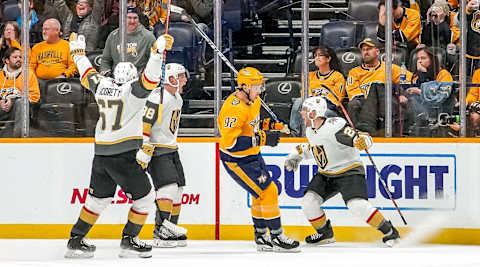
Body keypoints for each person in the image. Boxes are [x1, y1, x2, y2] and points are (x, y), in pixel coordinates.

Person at [64, 31, 174, 258]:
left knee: (98, 199)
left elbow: (87, 75)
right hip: (122, 154)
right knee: (145, 198)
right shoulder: (133, 92)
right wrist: (156, 54)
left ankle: (76, 240)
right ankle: (130, 240)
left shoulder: (103, 85)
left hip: (101, 154)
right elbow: (151, 80)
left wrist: (77, 54)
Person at [284, 96, 400, 247]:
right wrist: (297, 155)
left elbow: (361, 137)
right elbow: (317, 149)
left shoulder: (335, 126)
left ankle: (390, 232)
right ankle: (325, 234)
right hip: (326, 175)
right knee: (309, 203)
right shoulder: (310, 131)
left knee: (357, 205)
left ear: (313, 113)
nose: (302, 113)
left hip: (349, 172)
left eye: (305, 110)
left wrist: (364, 142)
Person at [218, 67, 300, 252]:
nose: (260, 90)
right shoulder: (233, 110)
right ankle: (277, 236)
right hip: (237, 160)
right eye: (256, 86)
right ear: (244, 87)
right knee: (269, 191)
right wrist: (264, 138)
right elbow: (231, 144)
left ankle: (262, 236)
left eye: (260, 86)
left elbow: (254, 124)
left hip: (253, 155)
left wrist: (273, 125)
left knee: (260, 194)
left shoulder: (253, 100)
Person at [136, 63, 189, 248]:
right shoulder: (157, 98)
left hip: (171, 148)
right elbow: (145, 121)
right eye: (181, 76)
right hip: (157, 149)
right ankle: (161, 230)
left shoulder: (177, 98)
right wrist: (144, 146)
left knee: (178, 189)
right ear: (171, 78)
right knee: (168, 187)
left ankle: (171, 228)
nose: (185, 79)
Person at [346, 38, 412, 125]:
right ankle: (358, 134)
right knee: (353, 104)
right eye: (363, 50)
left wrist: (401, 94)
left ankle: (395, 134)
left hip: (386, 102)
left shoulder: (390, 67)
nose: (365, 52)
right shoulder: (354, 72)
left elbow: (408, 80)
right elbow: (353, 92)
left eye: (369, 49)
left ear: (377, 52)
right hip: (365, 103)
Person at [402, 46, 454, 136]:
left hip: (438, 112)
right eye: (418, 59)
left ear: (432, 60)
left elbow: (439, 98)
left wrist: (419, 91)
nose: (419, 61)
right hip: (420, 114)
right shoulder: (418, 75)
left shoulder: (444, 74)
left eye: (423, 58)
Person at [100, 7, 156, 76]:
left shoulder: (148, 37)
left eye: (135, 18)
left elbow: (154, 61)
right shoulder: (113, 36)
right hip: (116, 79)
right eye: (129, 18)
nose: (132, 21)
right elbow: (106, 59)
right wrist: (105, 72)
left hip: (138, 80)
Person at [0, 47, 40, 137]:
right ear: (6, 60)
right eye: (15, 57)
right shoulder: (0, 75)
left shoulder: (28, 74)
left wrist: (13, 100)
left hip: (19, 108)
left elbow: (35, 96)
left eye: (20, 57)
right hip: (2, 106)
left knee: (21, 103)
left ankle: (18, 140)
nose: (19, 59)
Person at [29, 18, 77, 88]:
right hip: (39, 84)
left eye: (47, 29)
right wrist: (33, 78)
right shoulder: (36, 47)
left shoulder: (68, 46)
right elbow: (31, 66)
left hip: (60, 83)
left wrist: (64, 75)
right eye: (43, 29)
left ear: (57, 31)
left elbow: (73, 66)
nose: (44, 32)